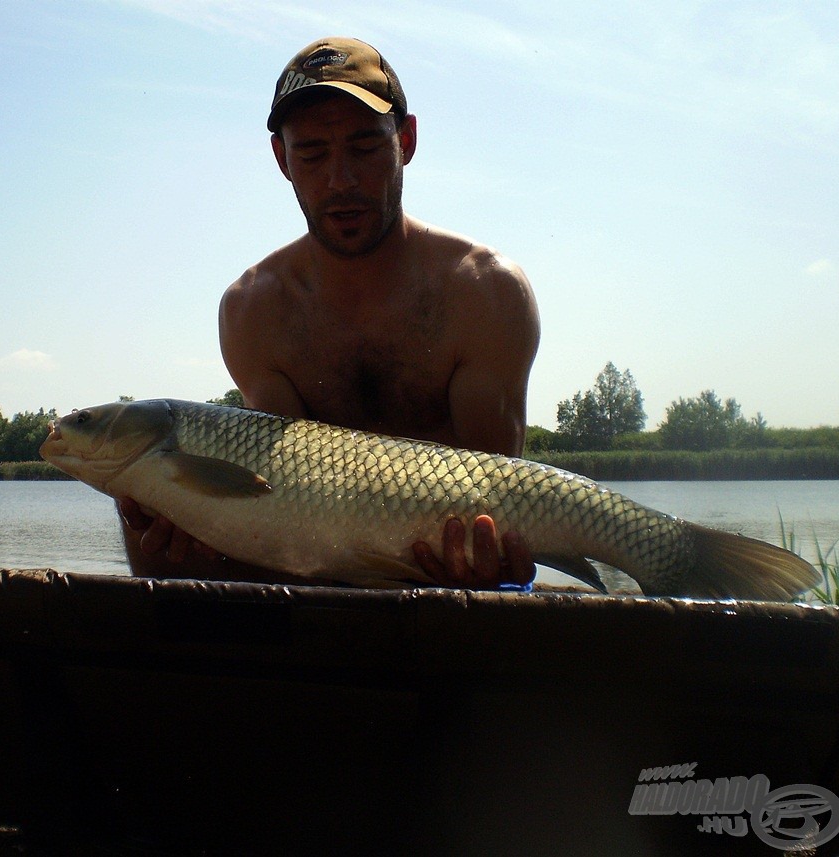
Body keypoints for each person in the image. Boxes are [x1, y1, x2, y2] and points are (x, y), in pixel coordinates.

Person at [119, 37, 540, 590]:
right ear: (281, 160)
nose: (340, 180)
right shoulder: (254, 310)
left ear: (406, 141)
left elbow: (493, 494)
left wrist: (482, 559)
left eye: (364, 147)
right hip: (320, 571)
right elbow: (278, 506)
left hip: (462, 579)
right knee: (144, 531)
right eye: (312, 155)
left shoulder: (484, 292)